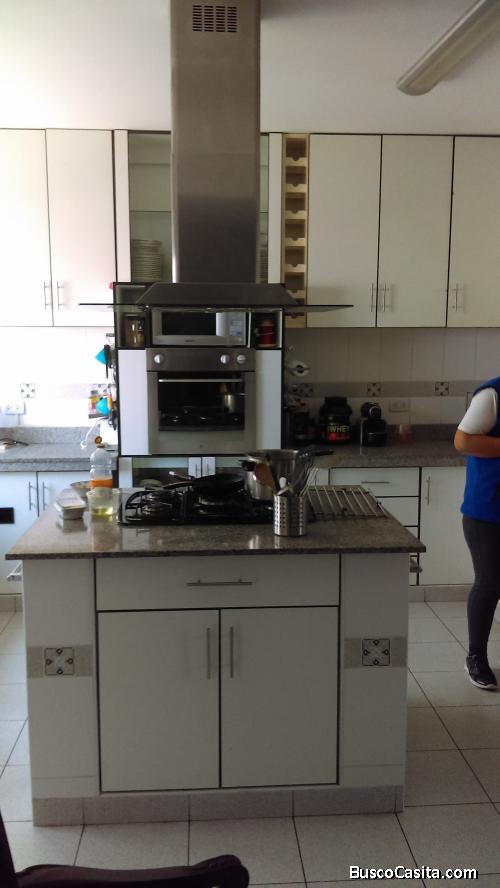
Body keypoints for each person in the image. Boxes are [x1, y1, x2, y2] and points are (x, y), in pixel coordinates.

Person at [455, 376, 500, 691]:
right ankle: (476, 657)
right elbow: (464, 441)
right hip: (488, 510)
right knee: (490, 583)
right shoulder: (493, 395)